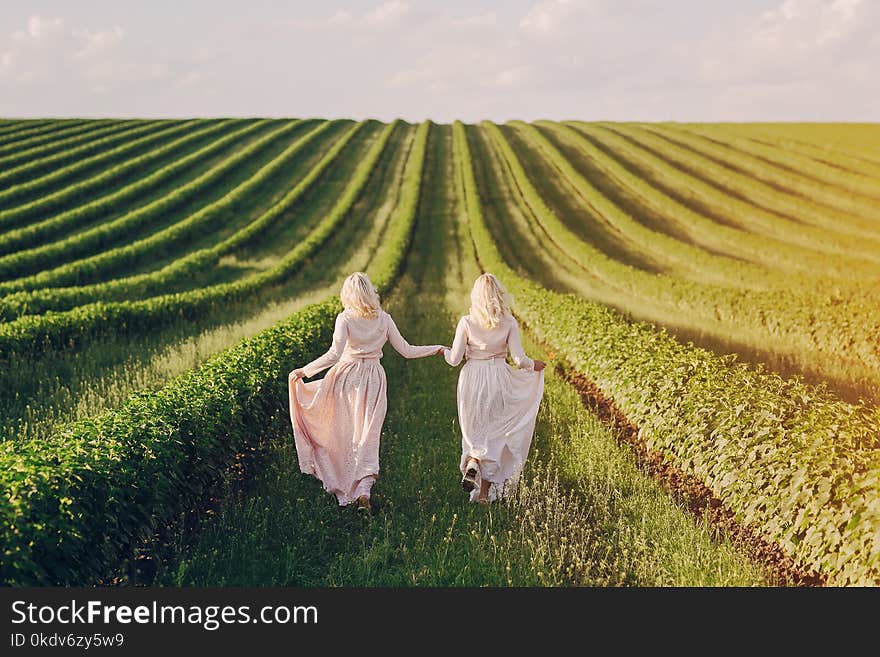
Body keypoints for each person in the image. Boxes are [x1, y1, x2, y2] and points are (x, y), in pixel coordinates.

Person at [289, 272, 444, 514]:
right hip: (373, 380)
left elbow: (333, 354)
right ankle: (363, 491)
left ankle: (350, 486)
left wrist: (304, 371)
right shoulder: (383, 319)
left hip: (346, 379)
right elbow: (406, 350)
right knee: (368, 436)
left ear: (347, 294)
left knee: (345, 434)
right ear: (370, 292)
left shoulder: (345, 318)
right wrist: (436, 349)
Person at [443, 273, 545, 503]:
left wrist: (444, 351)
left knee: (473, 428)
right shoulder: (508, 322)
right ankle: (484, 494)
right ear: (498, 295)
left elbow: (454, 359)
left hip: (472, 377)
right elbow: (519, 359)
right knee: (494, 433)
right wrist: (534, 365)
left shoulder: (466, 322)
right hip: (498, 376)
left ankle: (472, 462)